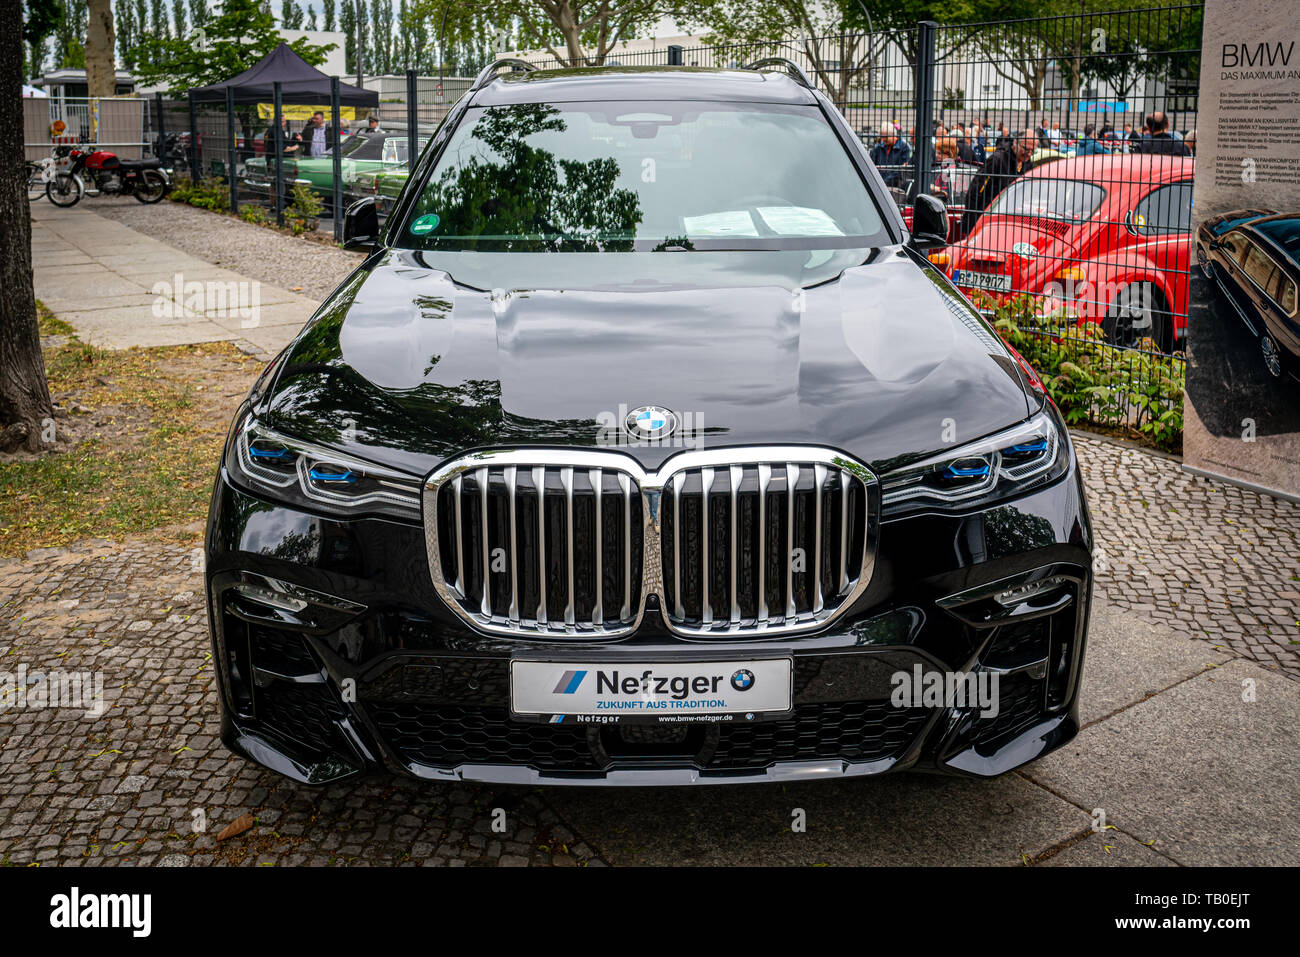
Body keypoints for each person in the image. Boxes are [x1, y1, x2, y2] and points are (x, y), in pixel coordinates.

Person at [962, 129, 1035, 234]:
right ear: (1015, 142)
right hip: (984, 219)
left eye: (1033, 150)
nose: (1029, 153)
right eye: (1026, 149)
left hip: (1009, 222)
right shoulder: (997, 160)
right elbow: (975, 190)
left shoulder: (1028, 165)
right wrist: (973, 223)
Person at [869, 121, 912, 188]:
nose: (883, 140)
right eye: (882, 137)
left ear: (893, 135)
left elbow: (902, 169)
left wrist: (884, 182)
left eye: (886, 137)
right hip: (878, 183)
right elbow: (871, 163)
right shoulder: (878, 147)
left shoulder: (904, 147)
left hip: (896, 185)